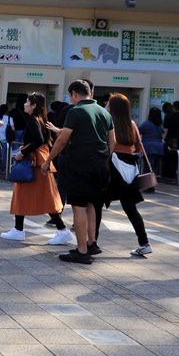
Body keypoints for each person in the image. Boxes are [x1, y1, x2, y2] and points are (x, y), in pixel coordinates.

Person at [42, 80, 115, 264]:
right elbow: (112, 142)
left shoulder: (75, 111)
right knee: (91, 203)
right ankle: (92, 243)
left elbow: (62, 141)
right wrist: (104, 159)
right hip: (100, 166)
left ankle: (81, 251)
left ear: (75, 94)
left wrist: (48, 161)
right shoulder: (103, 113)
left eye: (70, 95)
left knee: (79, 206)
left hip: (80, 166)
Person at [0, 92, 70, 245]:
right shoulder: (41, 119)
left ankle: (62, 230)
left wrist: (22, 152)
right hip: (39, 162)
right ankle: (19, 229)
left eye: (27, 102)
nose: (24, 104)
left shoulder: (32, 120)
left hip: (35, 163)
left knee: (35, 197)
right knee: (38, 197)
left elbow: (38, 140)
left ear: (34, 105)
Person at [103, 93, 152, 257]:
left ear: (112, 107)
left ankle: (89, 243)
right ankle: (144, 243)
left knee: (94, 203)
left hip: (112, 168)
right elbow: (139, 148)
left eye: (109, 104)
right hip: (129, 170)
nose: (106, 106)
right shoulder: (131, 124)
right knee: (131, 208)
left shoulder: (108, 123)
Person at [139, 106, 165, 185]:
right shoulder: (159, 125)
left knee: (148, 166)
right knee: (155, 166)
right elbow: (162, 135)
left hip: (148, 146)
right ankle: (153, 182)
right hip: (159, 147)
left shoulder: (146, 124)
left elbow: (138, 131)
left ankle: (148, 185)